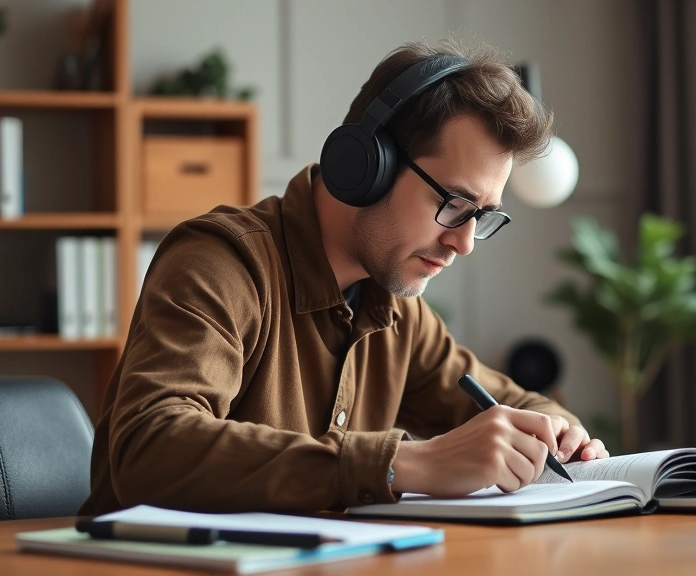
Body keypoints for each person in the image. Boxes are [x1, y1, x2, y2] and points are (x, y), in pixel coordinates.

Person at [79, 39, 608, 516]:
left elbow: (508, 403)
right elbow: (149, 447)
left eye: (482, 216)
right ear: (363, 164)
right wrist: (403, 464)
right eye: (453, 203)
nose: (464, 243)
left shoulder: (398, 308)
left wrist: (557, 433)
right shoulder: (220, 264)